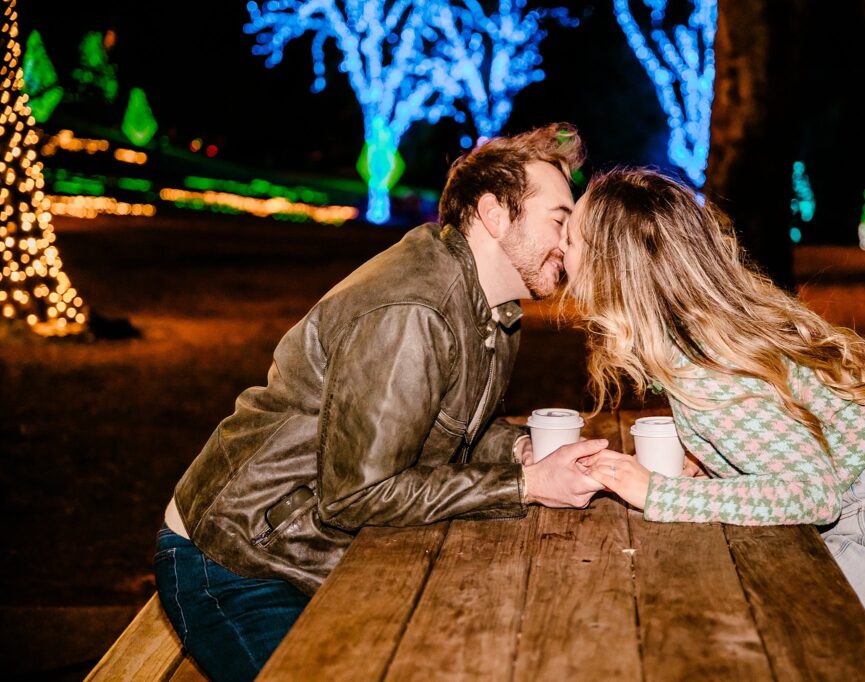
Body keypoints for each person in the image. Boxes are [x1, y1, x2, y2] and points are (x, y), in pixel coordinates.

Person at [154, 124, 607, 682]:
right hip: (239, 558)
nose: (568, 242)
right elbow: (358, 494)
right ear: (494, 214)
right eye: (558, 220)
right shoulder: (415, 309)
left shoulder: (494, 310)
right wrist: (528, 486)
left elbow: (456, 431)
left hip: (326, 552)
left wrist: (520, 450)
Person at [561, 168, 865, 654]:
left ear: (611, 264)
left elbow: (812, 493)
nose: (560, 250)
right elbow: (786, 424)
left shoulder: (705, 368)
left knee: (760, 653)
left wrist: (659, 493)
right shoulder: (709, 336)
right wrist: (717, 457)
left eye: (571, 238)